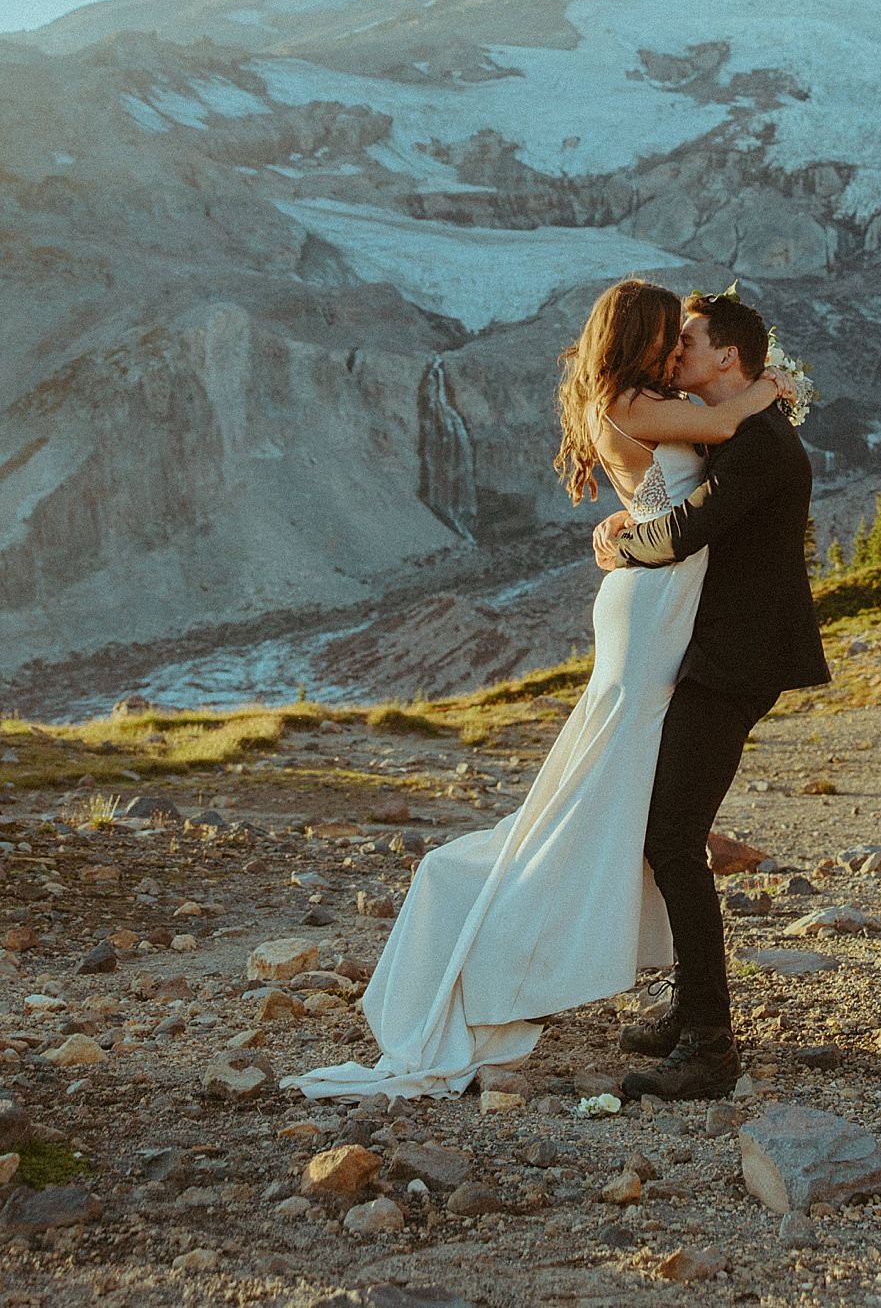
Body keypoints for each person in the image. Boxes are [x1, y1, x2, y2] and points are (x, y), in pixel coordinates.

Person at [283, 277, 783, 1102]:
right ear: (638, 337)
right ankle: (533, 943)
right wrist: (771, 384)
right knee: (617, 774)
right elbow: (728, 423)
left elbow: (678, 481)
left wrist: (627, 519)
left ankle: (669, 950)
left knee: (629, 776)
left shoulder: (627, 399)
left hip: (657, 593)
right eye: (668, 336)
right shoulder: (633, 403)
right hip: (651, 599)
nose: (674, 349)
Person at [592, 288, 831, 1101]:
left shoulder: (761, 443)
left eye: (687, 342)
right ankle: (691, 1010)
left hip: (734, 660)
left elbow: (689, 529)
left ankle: (708, 1044)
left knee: (672, 836)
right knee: (670, 832)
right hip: (716, 652)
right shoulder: (749, 429)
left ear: (727, 358)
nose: (674, 355)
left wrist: (624, 544)